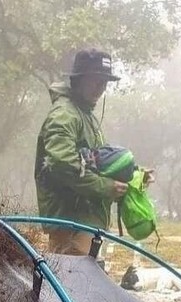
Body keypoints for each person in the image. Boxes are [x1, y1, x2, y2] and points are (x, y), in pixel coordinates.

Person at [34, 48, 128, 256]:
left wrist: (134, 174)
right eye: (95, 81)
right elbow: (62, 163)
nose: (100, 88)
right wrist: (105, 187)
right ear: (78, 80)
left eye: (104, 82)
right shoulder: (65, 115)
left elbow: (99, 162)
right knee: (71, 274)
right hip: (70, 221)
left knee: (85, 275)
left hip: (86, 219)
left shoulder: (85, 115)